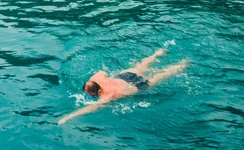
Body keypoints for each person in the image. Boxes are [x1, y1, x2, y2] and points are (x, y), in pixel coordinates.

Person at [58, 49, 188, 125]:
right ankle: (157, 54)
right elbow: (104, 72)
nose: (89, 95)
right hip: (125, 76)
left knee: (157, 78)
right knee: (141, 66)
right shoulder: (95, 78)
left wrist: (68, 117)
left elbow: (90, 108)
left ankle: (181, 66)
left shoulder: (107, 96)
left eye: (91, 94)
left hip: (136, 86)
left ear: (99, 91)